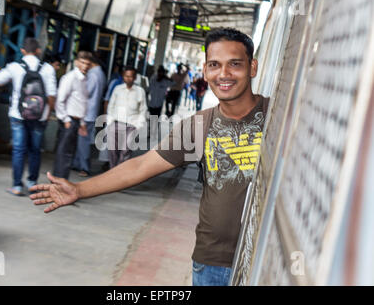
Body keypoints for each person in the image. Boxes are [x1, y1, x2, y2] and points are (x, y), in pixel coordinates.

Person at [29, 28, 270, 286]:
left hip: (268, 259)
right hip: (214, 263)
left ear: (252, 67)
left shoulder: (276, 115)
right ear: (205, 70)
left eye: (234, 64)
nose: (223, 74)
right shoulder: (199, 126)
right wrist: (79, 189)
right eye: (214, 65)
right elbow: (141, 165)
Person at [0, 38, 57, 196]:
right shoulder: (48, 69)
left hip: (18, 115)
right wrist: (47, 114)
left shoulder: (15, 67)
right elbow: (51, 95)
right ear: (38, 51)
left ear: (22, 50)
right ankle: (32, 183)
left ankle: (16, 186)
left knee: (19, 150)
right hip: (40, 116)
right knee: (35, 150)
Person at [53, 51, 92, 179]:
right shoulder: (70, 78)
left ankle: (61, 183)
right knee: (63, 154)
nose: (85, 66)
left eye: (87, 63)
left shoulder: (83, 79)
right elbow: (60, 100)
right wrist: (66, 120)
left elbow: (81, 102)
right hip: (68, 121)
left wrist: (82, 123)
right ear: (76, 62)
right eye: (82, 62)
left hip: (76, 121)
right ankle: (58, 185)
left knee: (68, 154)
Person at [72, 53, 107, 177]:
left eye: (86, 63)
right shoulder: (101, 73)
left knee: (83, 141)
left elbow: (86, 92)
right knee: (82, 141)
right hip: (91, 112)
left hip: (87, 113)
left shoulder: (93, 75)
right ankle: (77, 163)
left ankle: (84, 167)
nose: (84, 66)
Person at [106, 66, 147, 168]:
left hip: (131, 126)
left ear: (135, 77)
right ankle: (112, 174)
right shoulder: (118, 89)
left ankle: (120, 175)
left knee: (125, 151)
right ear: (123, 76)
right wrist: (109, 122)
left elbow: (143, 110)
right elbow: (111, 105)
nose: (128, 78)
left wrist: (139, 125)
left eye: (131, 76)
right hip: (116, 124)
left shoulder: (140, 91)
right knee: (112, 151)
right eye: (126, 76)